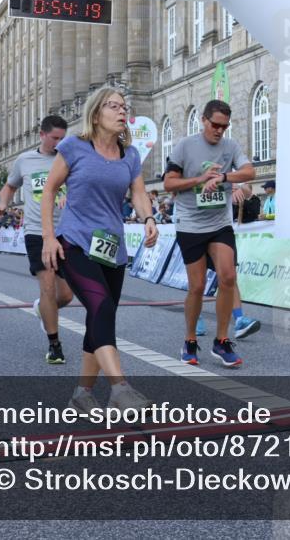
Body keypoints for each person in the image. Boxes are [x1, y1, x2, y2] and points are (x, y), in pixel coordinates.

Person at [41, 86, 159, 412]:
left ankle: (82, 394)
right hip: (74, 241)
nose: (122, 111)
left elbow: (138, 193)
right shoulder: (74, 146)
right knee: (102, 306)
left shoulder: (130, 155)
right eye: (114, 106)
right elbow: (49, 190)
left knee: (101, 316)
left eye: (124, 107)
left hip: (111, 248)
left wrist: (148, 217)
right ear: (96, 114)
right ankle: (120, 388)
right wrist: (49, 237)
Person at [164, 99, 258, 367]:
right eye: (215, 125)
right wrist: (200, 179)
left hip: (219, 223)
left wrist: (223, 178)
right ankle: (190, 340)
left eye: (224, 126)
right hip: (190, 224)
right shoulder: (185, 146)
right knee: (197, 287)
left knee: (228, 276)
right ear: (203, 120)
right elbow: (169, 183)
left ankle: (222, 340)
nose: (219, 131)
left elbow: (249, 171)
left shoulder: (231, 146)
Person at [0, 115, 74, 365]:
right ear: (42, 135)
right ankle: (54, 345)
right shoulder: (25, 160)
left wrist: (70, 195)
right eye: (54, 138)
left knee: (66, 296)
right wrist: (3, 204)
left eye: (63, 139)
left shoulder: (69, 158)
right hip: (37, 231)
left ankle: (42, 308)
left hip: (65, 231)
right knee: (47, 287)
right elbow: (10, 186)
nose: (59, 143)